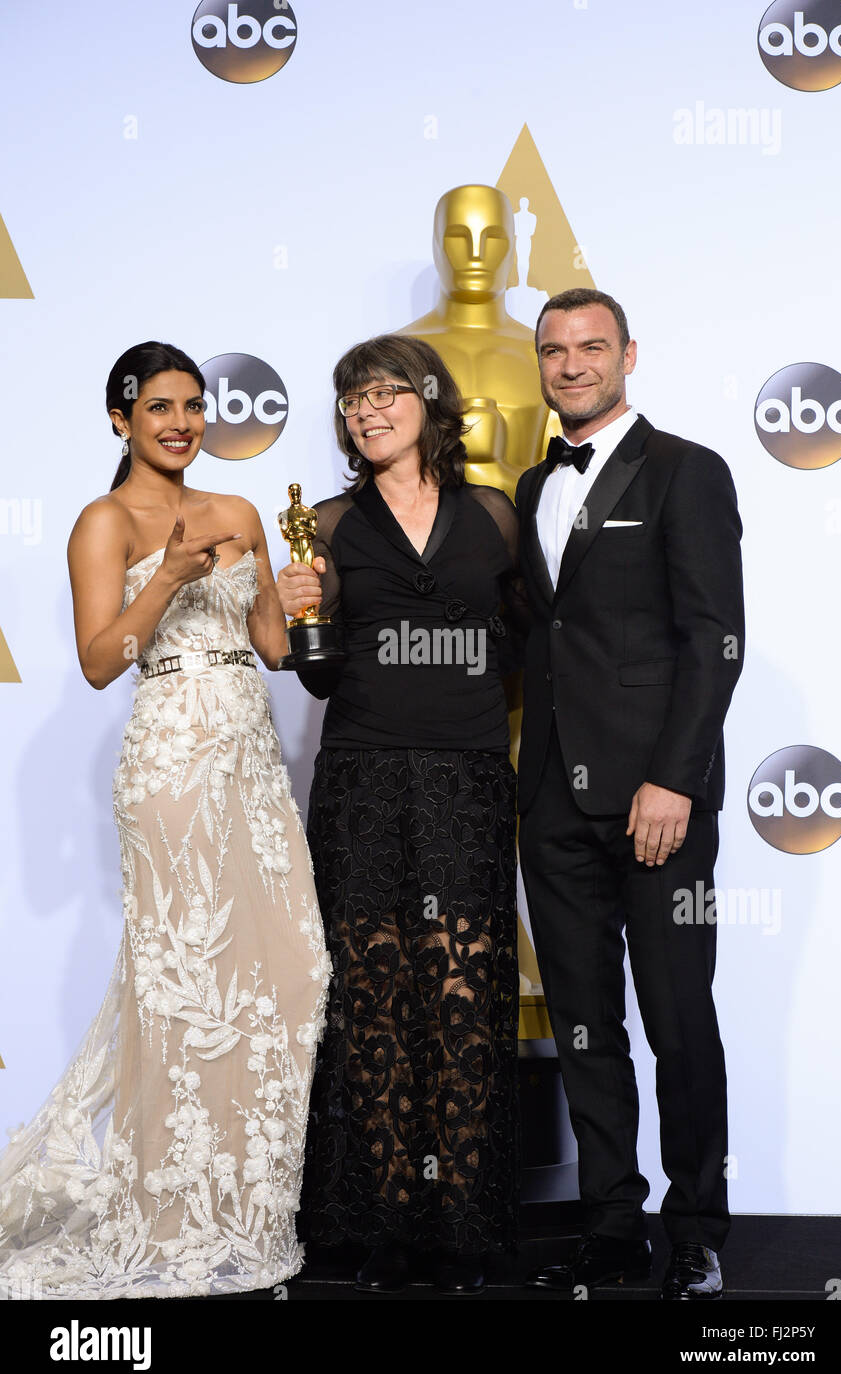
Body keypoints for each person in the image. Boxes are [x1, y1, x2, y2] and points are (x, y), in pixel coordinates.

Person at [0, 341, 330, 1299]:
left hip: (251, 765)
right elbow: (102, 659)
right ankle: (169, 1214)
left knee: (289, 970)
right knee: (186, 984)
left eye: (193, 406)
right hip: (171, 764)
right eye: (159, 409)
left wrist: (294, 599)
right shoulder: (103, 520)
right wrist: (170, 574)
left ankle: (249, 1210)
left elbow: (270, 647)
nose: (182, 423)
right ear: (122, 420)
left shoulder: (238, 512)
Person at [277, 334, 526, 1294]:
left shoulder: (494, 517)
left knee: (460, 996)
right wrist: (306, 615)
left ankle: (459, 1226)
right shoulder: (331, 527)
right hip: (364, 778)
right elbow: (322, 671)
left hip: (466, 776)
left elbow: (520, 641)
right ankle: (381, 1222)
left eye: (382, 392)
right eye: (349, 400)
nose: (365, 411)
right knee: (374, 1002)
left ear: (429, 400)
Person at [516, 290, 744, 1300]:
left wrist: (673, 779)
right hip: (554, 805)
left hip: (656, 800)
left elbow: (712, 642)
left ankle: (695, 1224)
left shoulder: (688, 471)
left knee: (677, 1017)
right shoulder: (529, 484)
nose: (571, 365)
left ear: (628, 355)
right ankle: (613, 1219)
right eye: (554, 350)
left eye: (590, 347)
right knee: (581, 1023)